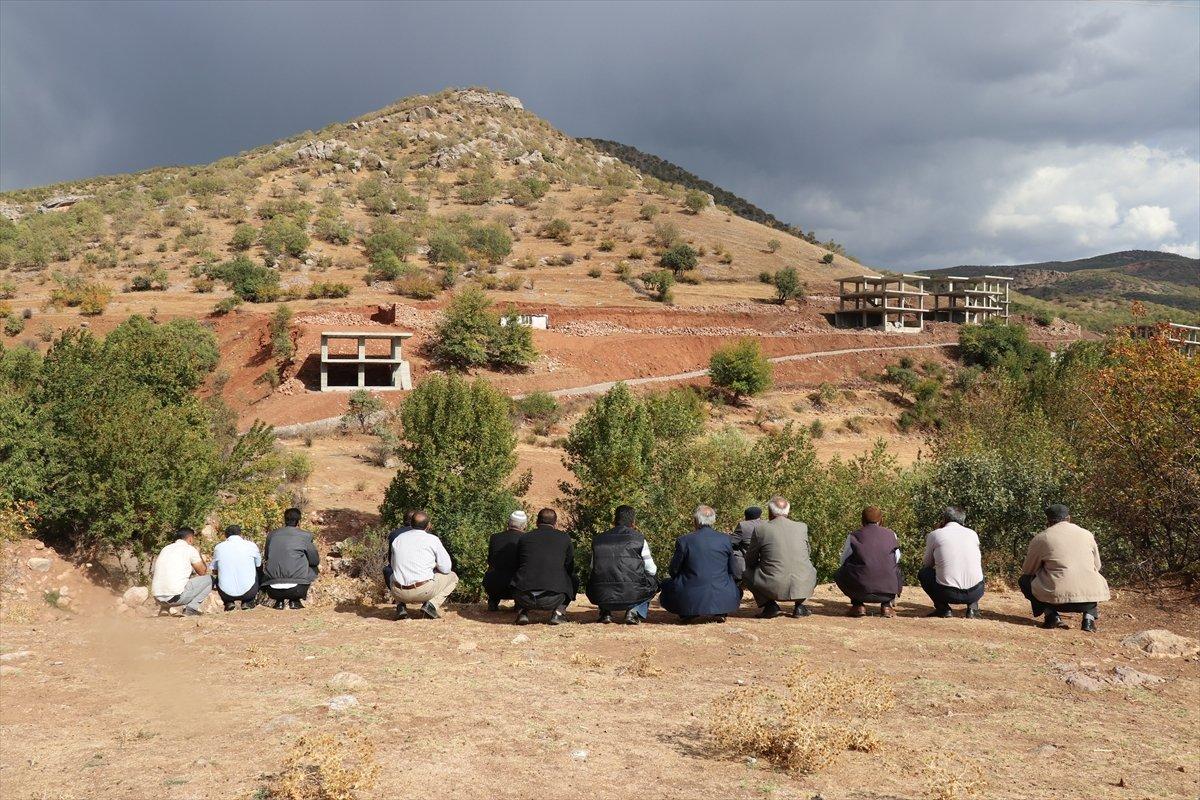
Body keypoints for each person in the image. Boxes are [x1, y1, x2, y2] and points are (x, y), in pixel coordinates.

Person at [1019, 504, 1109, 632]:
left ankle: (1051, 615)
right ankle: (1088, 620)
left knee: (1024, 580)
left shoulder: (1042, 538)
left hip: (1056, 600)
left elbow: (1028, 570)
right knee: (1090, 576)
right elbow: (1097, 566)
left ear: (1048, 521)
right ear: (1069, 518)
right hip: (1088, 599)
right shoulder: (1087, 534)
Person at [659, 505, 741, 624]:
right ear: (713, 520)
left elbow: (674, 570)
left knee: (666, 584)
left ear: (696, 520)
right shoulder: (725, 539)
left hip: (691, 593)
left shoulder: (684, 540)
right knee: (732, 587)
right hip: (722, 593)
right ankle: (720, 611)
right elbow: (734, 569)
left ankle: (687, 611)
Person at [742, 496, 817, 619]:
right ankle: (800, 606)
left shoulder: (761, 529)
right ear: (788, 512)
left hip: (773, 586)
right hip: (802, 583)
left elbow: (750, 560)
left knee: (746, 573)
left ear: (770, 512)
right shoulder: (802, 527)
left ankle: (770, 606)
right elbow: (807, 554)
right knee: (811, 570)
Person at [586, 505, 659, 625]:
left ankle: (605, 612)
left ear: (614, 521)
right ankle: (634, 611)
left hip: (601, 595)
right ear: (633, 522)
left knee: (599, 577)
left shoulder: (598, 539)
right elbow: (652, 570)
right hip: (632, 594)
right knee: (654, 580)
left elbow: (593, 568)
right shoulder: (639, 539)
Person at [512, 508, 577, 626]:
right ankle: (558, 612)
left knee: (518, 576)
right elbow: (569, 565)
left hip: (524, 597)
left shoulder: (524, 538)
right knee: (573, 579)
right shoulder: (564, 538)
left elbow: (518, 564)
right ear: (555, 523)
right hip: (553, 598)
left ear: (537, 522)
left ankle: (522, 612)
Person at [834, 506, 903, 618]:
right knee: (896, 570)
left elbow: (843, 561)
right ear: (881, 520)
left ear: (862, 520)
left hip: (860, 592)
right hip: (887, 592)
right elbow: (897, 559)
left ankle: (858, 605)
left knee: (839, 573)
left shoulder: (853, 536)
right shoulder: (892, 534)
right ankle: (886, 606)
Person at [389, 510, 458, 620]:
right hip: (423, 591)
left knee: (393, 575)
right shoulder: (432, 540)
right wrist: (434, 566)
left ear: (411, 524)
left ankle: (400, 606)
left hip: (398, 592)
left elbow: (393, 566)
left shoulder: (398, 539)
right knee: (453, 577)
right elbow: (446, 568)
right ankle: (432, 605)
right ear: (428, 525)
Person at [918, 507, 984, 619]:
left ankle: (943, 609)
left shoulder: (935, 534)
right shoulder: (973, 534)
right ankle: (973, 608)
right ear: (963, 521)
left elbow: (927, 564)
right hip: (976, 592)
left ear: (944, 520)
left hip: (947, 593)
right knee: (976, 569)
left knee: (924, 573)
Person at [261, 507, 320, 610]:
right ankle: (295, 601)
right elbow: (314, 560)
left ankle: (279, 602)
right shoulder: (305, 536)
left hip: (272, 590)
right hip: (297, 589)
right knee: (314, 568)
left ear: (284, 520)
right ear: (299, 521)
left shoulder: (271, 535)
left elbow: (267, 556)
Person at [150, 528, 212, 616]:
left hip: (157, 598)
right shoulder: (189, 549)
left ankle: (164, 609)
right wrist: (198, 553)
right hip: (175, 598)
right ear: (190, 538)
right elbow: (202, 572)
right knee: (211, 579)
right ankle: (191, 608)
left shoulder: (166, 548)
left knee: (173, 576)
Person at [209, 524, 262, 611]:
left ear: (226, 535)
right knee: (257, 570)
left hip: (226, 593)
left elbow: (214, 570)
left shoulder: (219, 547)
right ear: (240, 534)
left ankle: (228, 602)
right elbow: (258, 566)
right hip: (250, 591)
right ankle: (248, 602)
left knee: (219, 573)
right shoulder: (251, 545)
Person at [483, 510, 527, 612]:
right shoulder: (526, 539)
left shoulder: (495, 537)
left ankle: (493, 601)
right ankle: (519, 604)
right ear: (524, 526)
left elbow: (490, 560)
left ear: (508, 523)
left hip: (493, 585)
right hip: (516, 586)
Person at [729, 506, 764, 582]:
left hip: (750, 562)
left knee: (735, 552)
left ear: (746, 516)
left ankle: (738, 580)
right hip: (764, 560)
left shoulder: (743, 525)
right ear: (760, 515)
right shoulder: (767, 524)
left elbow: (731, 542)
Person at [384, 509, 416, 586]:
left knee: (387, 570)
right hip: (420, 576)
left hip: (400, 576)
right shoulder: (426, 535)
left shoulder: (395, 534)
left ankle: (394, 592)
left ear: (404, 520)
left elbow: (390, 558)